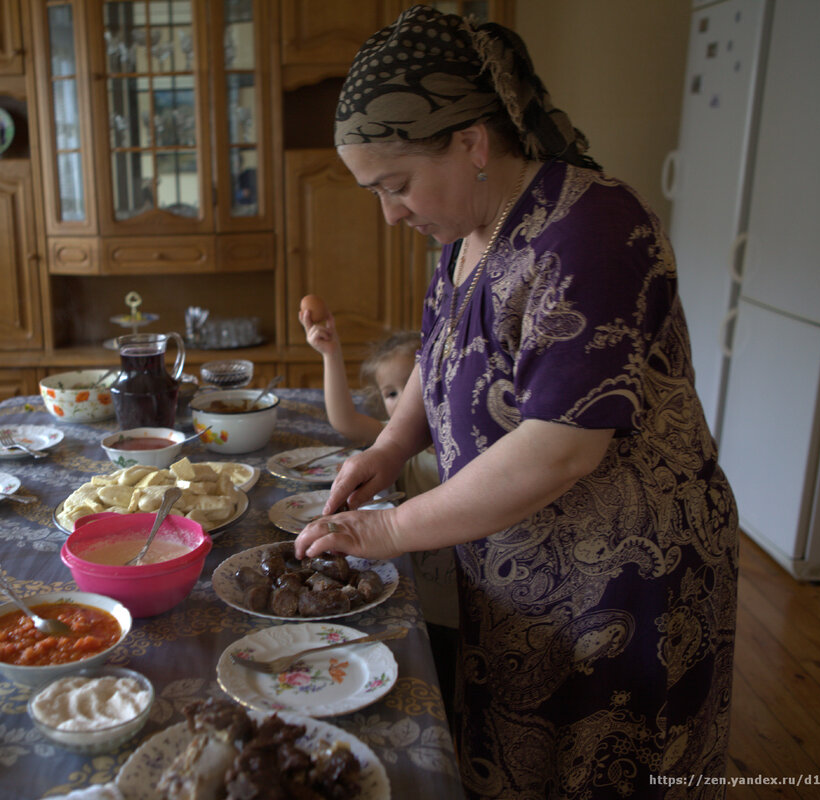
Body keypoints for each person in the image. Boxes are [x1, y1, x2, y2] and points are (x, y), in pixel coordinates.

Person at [293, 7, 739, 799]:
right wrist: (392, 448)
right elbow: (439, 356)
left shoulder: (594, 227)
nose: (390, 213)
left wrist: (391, 527)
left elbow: (563, 446)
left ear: (472, 142)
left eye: (394, 186)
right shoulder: (465, 235)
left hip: (626, 587)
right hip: (518, 570)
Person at [299, 313, 458, 693]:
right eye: (391, 393)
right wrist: (331, 354)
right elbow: (344, 419)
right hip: (430, 595)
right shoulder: (400, 442)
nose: (407, 402)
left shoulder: (467, 448)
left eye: (413, 387)